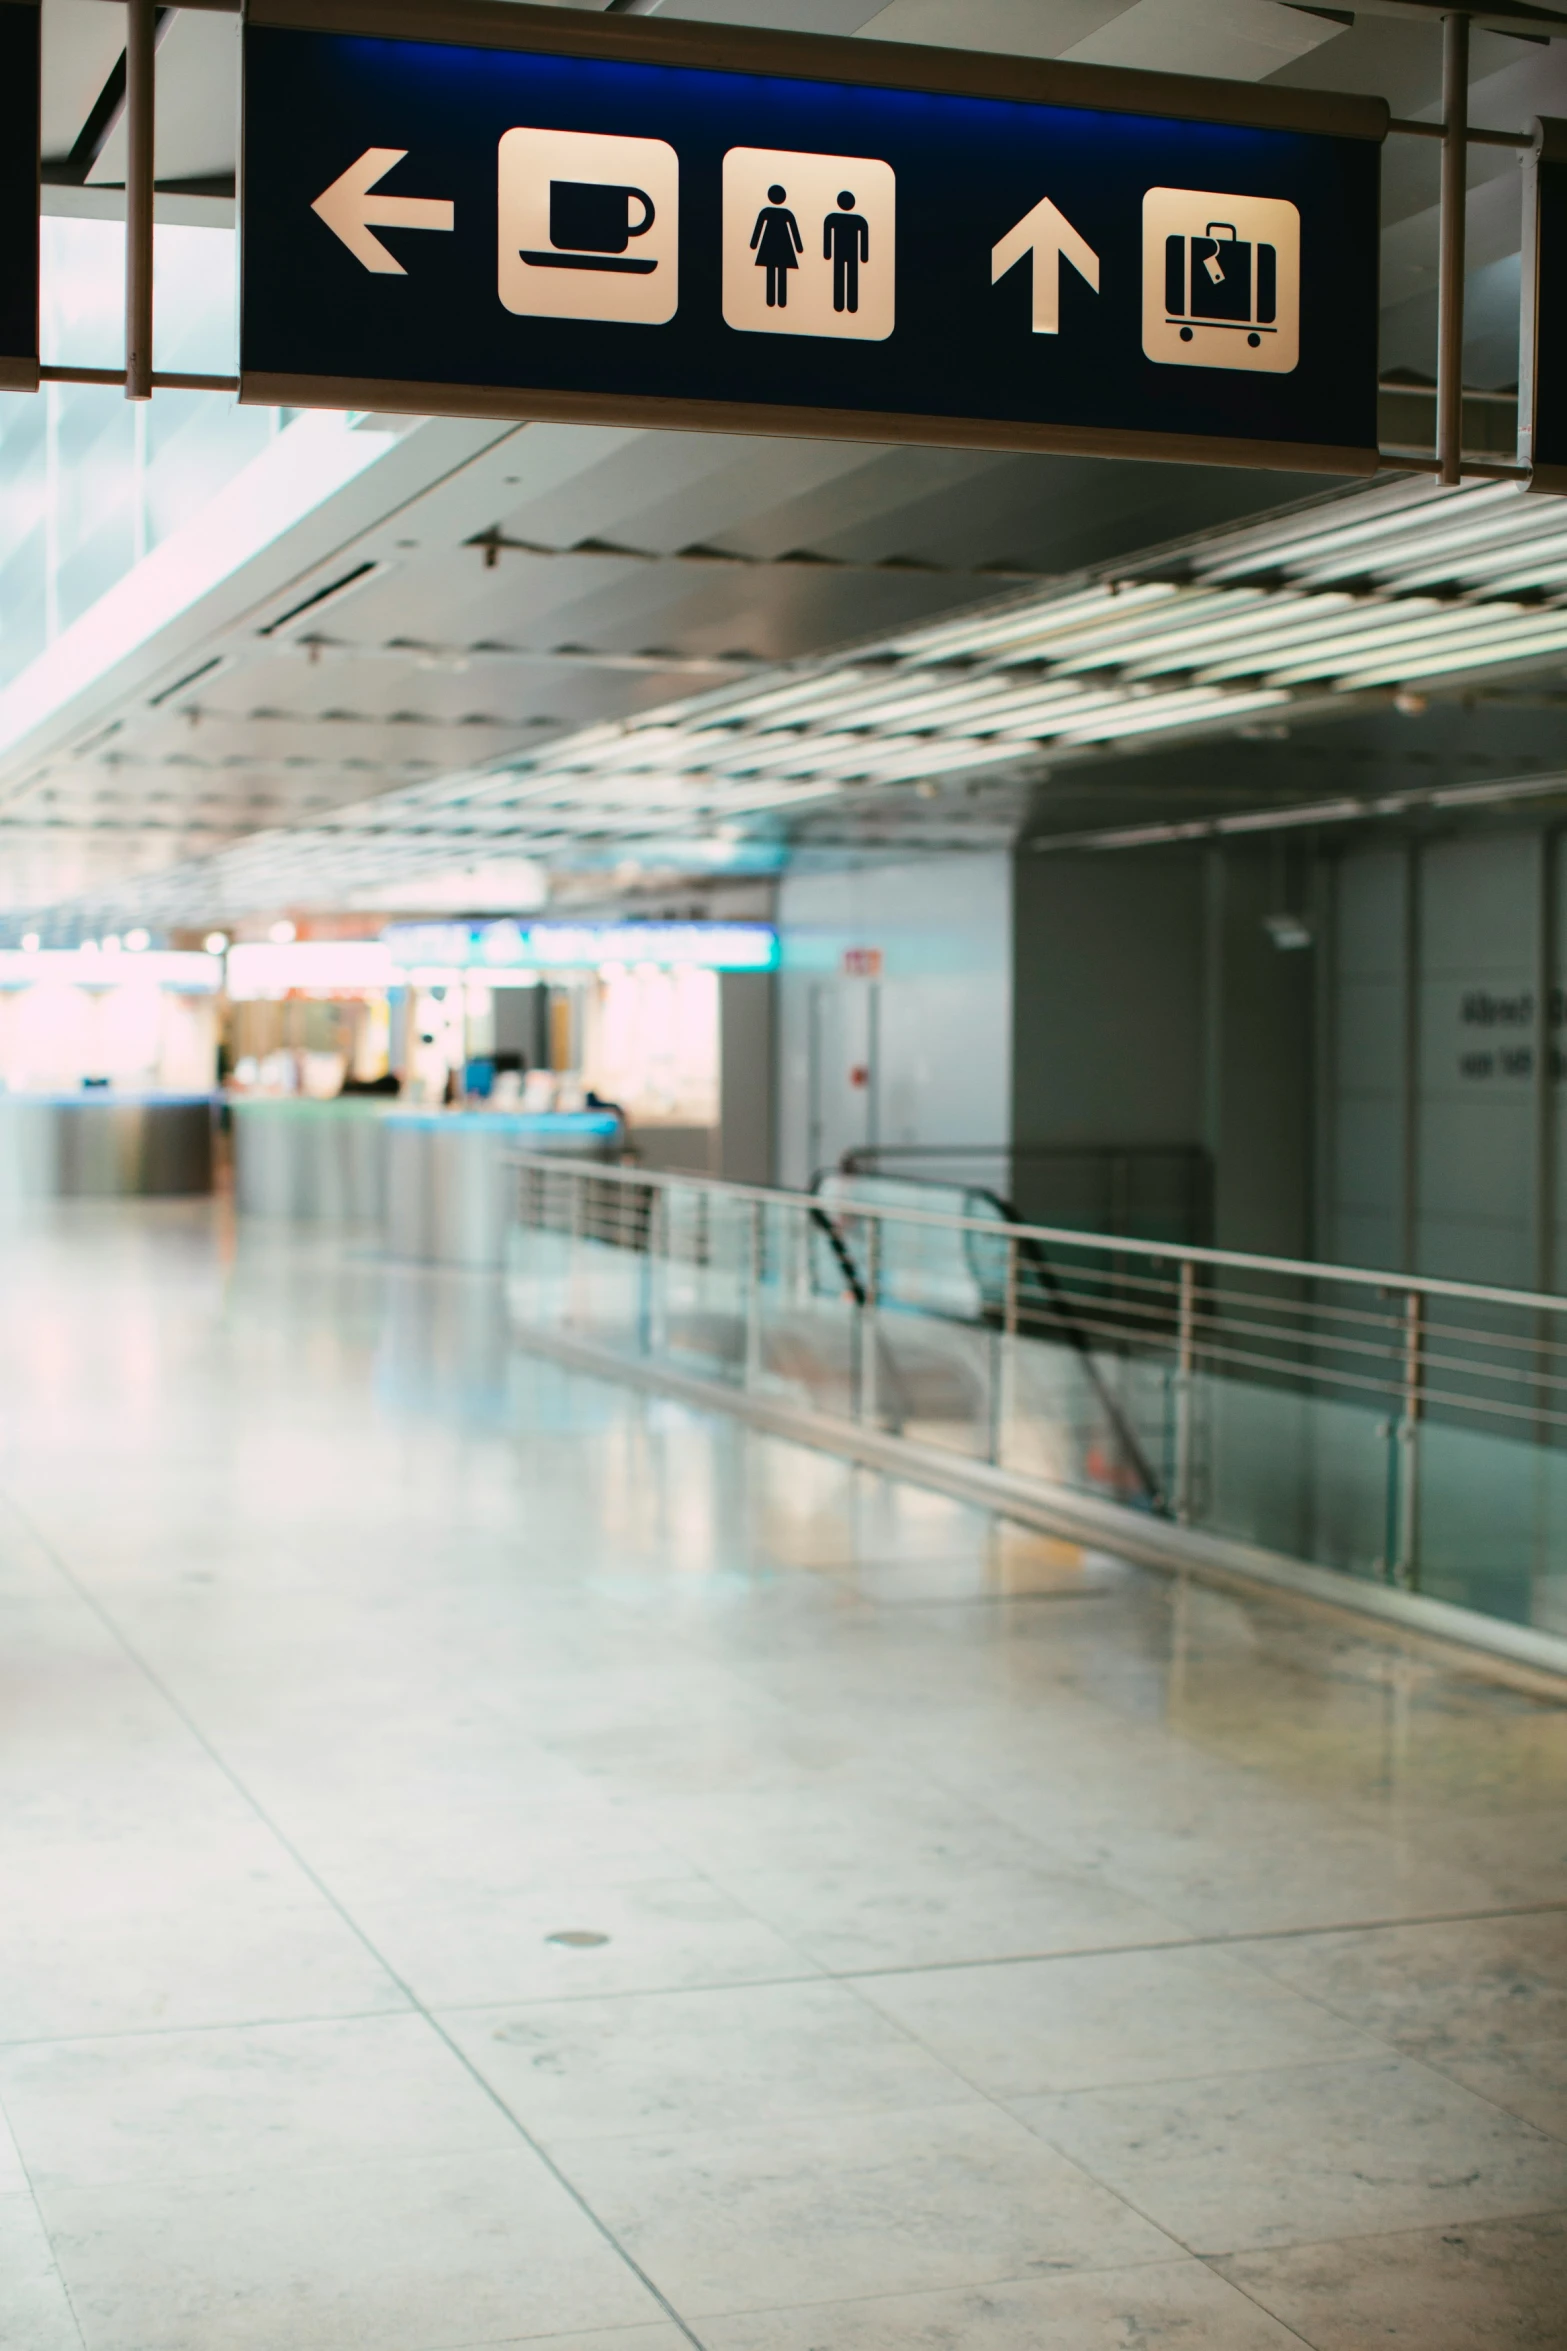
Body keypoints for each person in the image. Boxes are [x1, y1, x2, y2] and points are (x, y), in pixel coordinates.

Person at [750, 185, 802, 308]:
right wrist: (799, 247)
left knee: (776, 271)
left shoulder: (772, 212)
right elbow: (759, 228)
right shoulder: (780, 213)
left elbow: (794, 231)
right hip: (778, 245)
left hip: (775, 245)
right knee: (774, 272)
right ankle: (773, 300)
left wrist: (754, 244)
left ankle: (778, 301)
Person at [823, 191, 868, 314]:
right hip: (846, 253)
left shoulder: (833, 218)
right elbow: (827, 235)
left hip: (843, 253)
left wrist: (827, 253)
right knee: (842, 276)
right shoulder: (857, 220)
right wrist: (864, 256)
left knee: (847, 276)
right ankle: (842, 305)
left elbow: (864, 237)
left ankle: (847, 305)